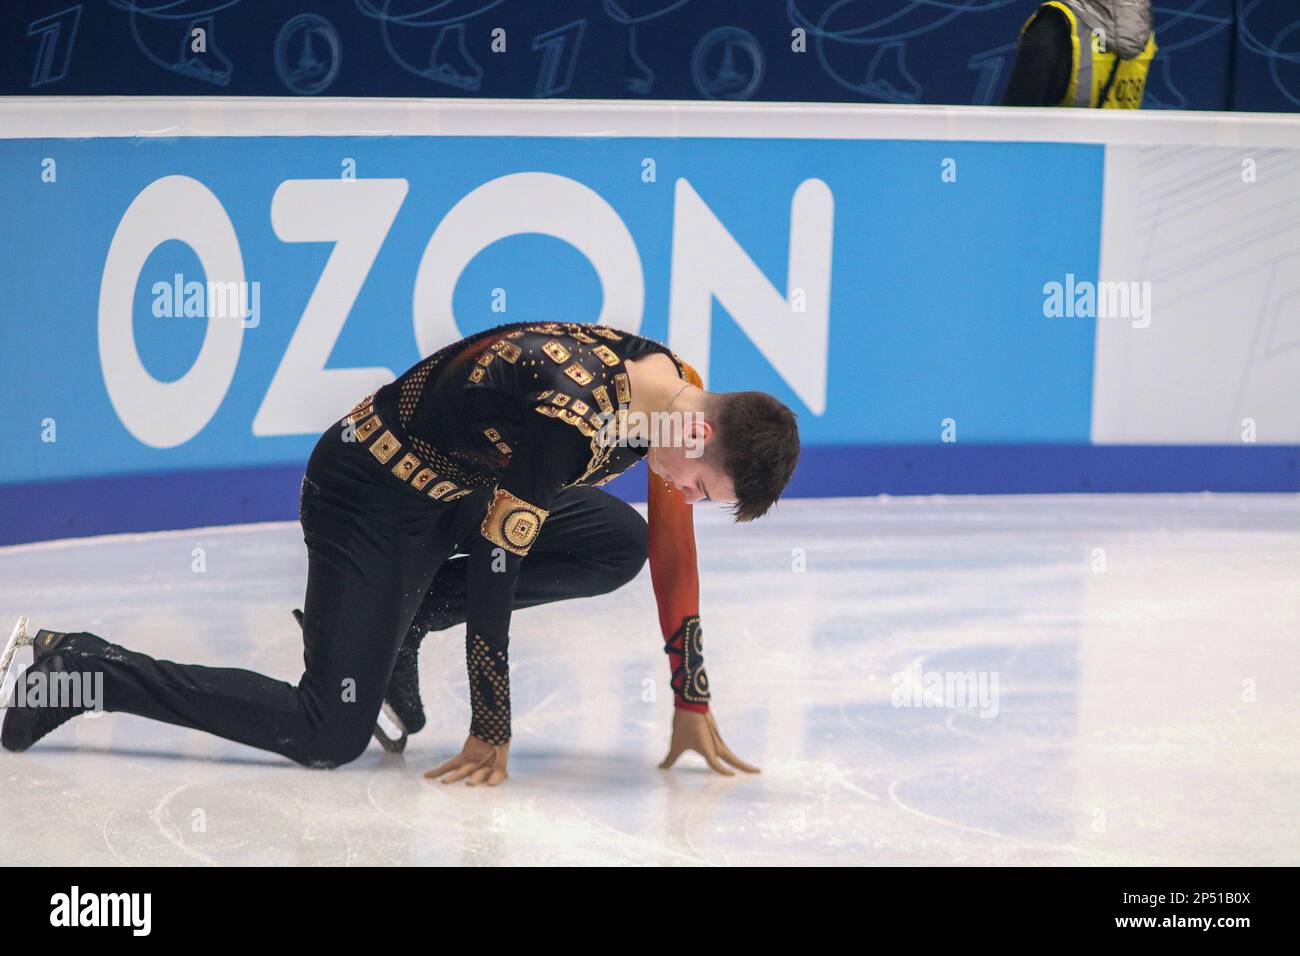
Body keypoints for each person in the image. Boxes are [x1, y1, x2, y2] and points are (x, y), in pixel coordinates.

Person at [2, 321, 801, 787]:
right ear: (698, 435)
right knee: (327, 734)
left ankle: (402, 624)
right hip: (369, 500)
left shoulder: (672, 386)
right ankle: (83, 666)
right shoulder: (575, 415)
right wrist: (493, 726)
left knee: (615, 540)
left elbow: (664, 551)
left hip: (457, 491)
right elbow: (498, 565)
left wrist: (691, 700)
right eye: (703, 489)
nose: (689, 500)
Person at [1003, 0, 1156, 108]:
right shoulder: (1141, 28)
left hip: (1056, 150)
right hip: (1121, 151)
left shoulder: (1054, 25)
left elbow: (1016, 121)